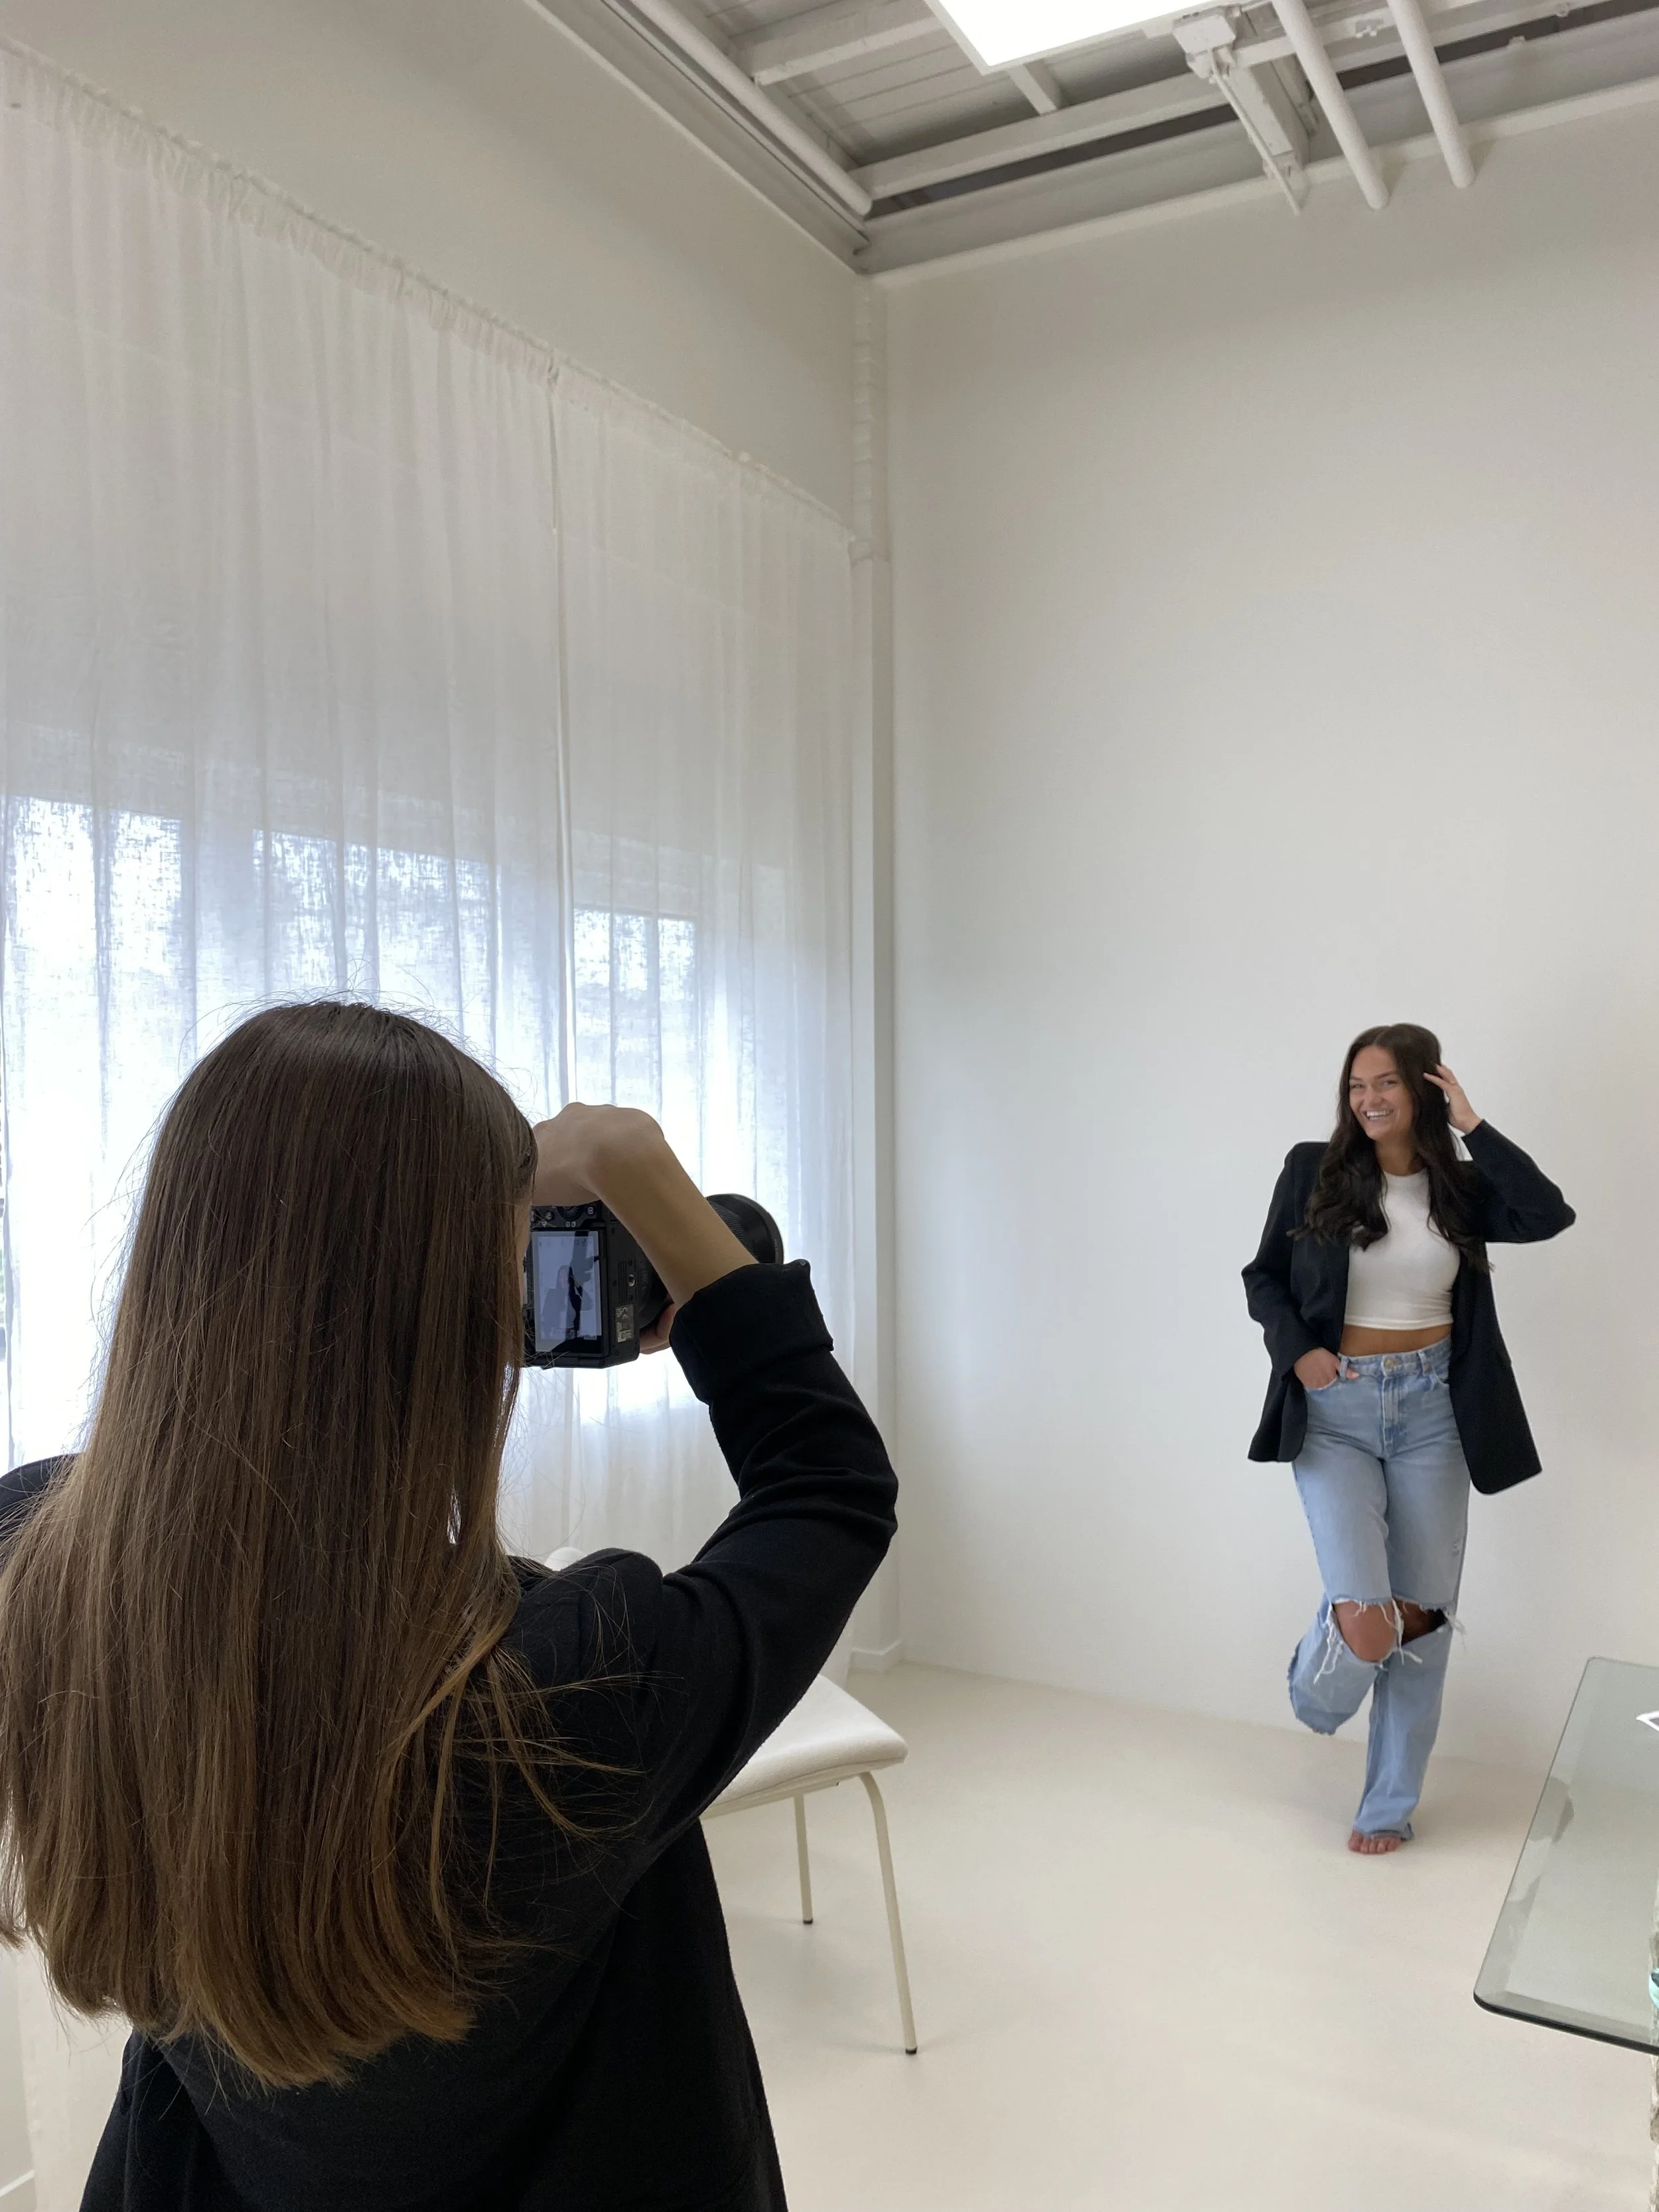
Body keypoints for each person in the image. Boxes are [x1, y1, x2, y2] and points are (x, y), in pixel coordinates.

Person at [0, 1001, 897, 2211]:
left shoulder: (40, 1563)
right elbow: (828, 1485)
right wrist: (635, 1167)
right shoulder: (576, 1685)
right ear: (470, 1313)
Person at [1243, 1024, 1572, 1854]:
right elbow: (1263, 1278)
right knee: (1366, 1623)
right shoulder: (1309, 1170)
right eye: (1357, 1086)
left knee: (1420, 1620)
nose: (1369, 1101)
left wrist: (1474, 1125)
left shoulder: (1458, 1187)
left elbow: (1547, 1212)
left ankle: (1386, 1808)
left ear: (1423, 1088)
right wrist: (1303, 1353)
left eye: (1386, 1083)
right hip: (1335, 1413)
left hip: (1435, 1413)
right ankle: (1318, 1696)